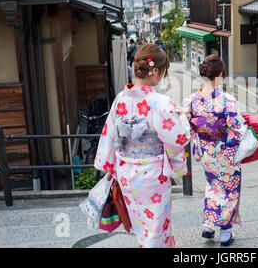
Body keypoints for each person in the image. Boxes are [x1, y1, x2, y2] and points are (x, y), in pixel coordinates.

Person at [94, 43, 191, 248]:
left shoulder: (120, 99)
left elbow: (109, 135)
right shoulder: (160, 102)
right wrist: (181, 118)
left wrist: (111, 167)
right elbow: (179, 138)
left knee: (141, 224)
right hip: (152, 175)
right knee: (156, 226)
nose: (163, 77)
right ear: (155, 70)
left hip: (126, 172)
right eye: (163, 72)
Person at [188, 55, 248, 247]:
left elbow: (191, 126)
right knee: (229, 189)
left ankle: (209, 226)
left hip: (206, 152)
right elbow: (237, 128)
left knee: (212, 186)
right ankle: (224, 233)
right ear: (220, 74)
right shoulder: (226, 100)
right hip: (224, 152)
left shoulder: (193, 99)